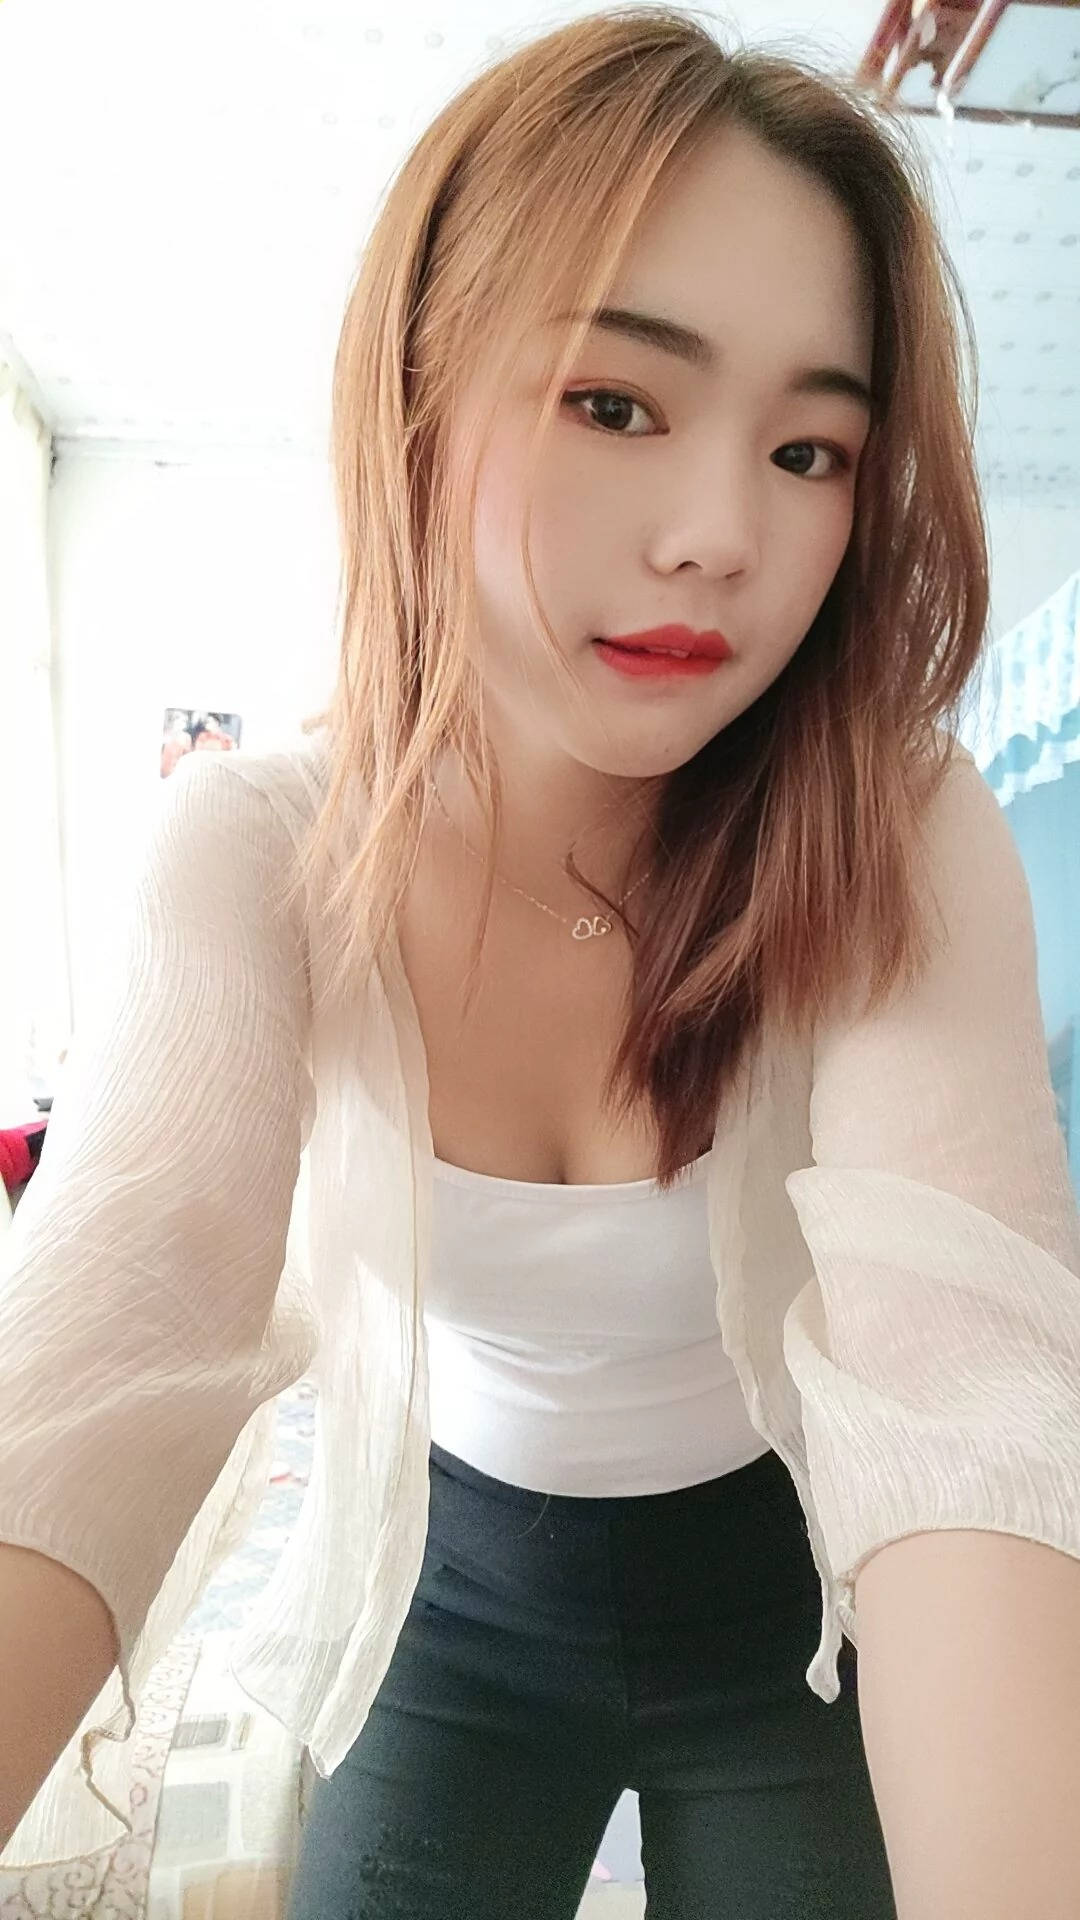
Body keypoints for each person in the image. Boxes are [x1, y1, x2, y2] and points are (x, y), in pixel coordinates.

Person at [2, 9, 1080, 1917]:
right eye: (615, 404)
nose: (720, 538)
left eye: (811, 449)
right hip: (457, 1605)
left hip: (797, 1603)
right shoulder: (261, 857)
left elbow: (968, 1372)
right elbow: (113, 1335)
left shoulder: (892, 826)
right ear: (418, 393)